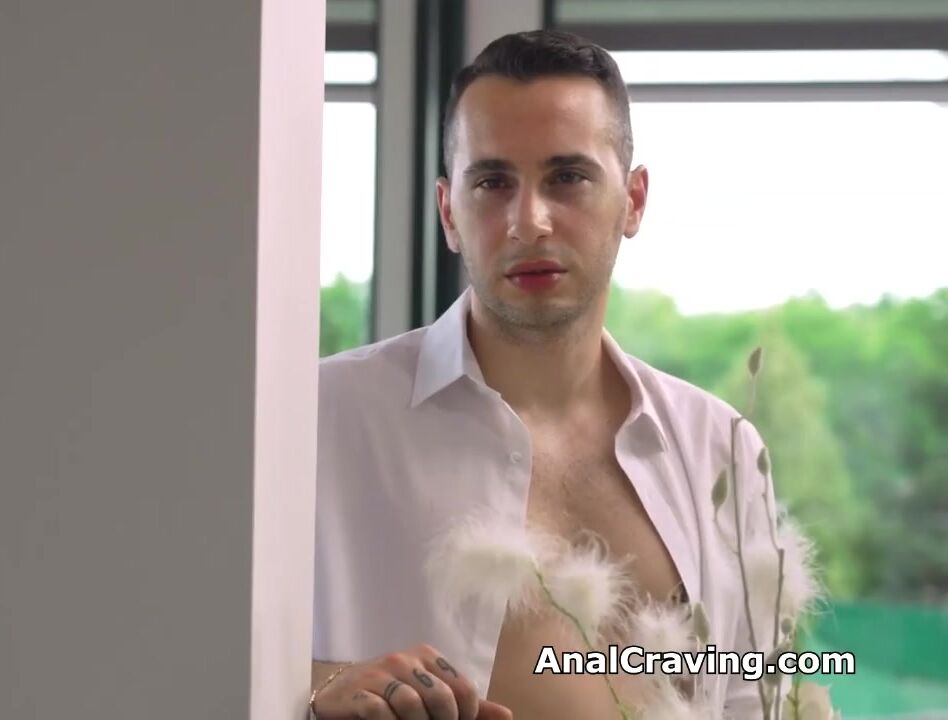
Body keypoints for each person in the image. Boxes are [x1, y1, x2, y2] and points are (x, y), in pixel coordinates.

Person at [311, 30, 782, 719]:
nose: (528, 223)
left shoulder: (722, 448)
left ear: (634, 200)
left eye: (567, 178)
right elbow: (189, 643)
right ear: (448, 212)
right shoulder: (320, 421)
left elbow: (755, 697)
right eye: (492, 183)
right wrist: (323, 687)